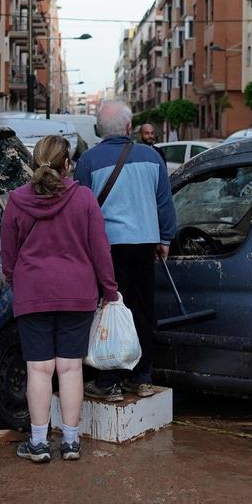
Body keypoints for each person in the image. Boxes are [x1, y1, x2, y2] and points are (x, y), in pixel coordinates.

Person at [2, 135, 119, 463]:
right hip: (77, 293)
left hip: (33, 291)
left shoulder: (16, 200)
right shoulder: (83, 199)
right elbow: (100, 249)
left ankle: (38, 444)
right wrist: (109, 291)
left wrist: (15, 278)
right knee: (70, 369)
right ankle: (70, 442)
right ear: (67, 165)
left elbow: (8, 254)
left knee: (38, 369)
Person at [75, 100, 176, 401]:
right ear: (130, 128)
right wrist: (165, 239)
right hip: (144, 244)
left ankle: (109, 381)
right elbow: (164, 203)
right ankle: (142, 377)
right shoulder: (151, 157)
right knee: (143, 311)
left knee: (110, 309)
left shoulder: (88, 161)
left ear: (99, 131)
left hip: (106, 248)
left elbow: (81, 209)